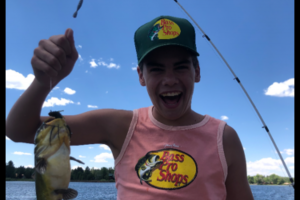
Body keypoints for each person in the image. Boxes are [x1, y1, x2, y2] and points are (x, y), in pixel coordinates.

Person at [6, 15, 254, 200]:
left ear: (197, 72)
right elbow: (19, 130)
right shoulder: (120, 126)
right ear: (141, 76)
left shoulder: (225, 137)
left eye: (180, 67)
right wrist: (44, 81)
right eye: (156, 68)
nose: (169, 79)